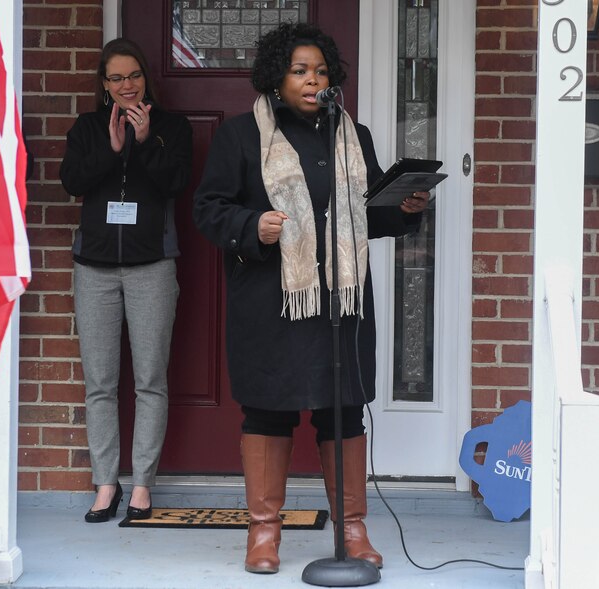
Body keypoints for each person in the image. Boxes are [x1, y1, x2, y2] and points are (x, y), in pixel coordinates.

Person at [193, 22, 428, 573]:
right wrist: (254, 226)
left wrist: (404, 210)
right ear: (277, 77)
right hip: (272, 303)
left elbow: (363, 213)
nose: (312, 80)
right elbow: (209, 209)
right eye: (300, 70)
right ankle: (264, 535)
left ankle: (351, 531)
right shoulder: (240, 136)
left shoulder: (352, 136)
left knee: (341, 412)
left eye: (320, 71)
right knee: (269, 412)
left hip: (339, 306)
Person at [59, 37, 192, 524]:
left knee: (151, 381)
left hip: (152, 266)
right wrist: (112, 150)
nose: (126, 85)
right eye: (115, 78)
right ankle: (105, 484)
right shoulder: (88, 128)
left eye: (133, 75)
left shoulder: (169, 129)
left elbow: (177, 182)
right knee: (100, 382)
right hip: (93, 268)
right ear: (104, 84)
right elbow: (72, 181)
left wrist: (142, 143)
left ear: (145, 78)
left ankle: (141, 486)